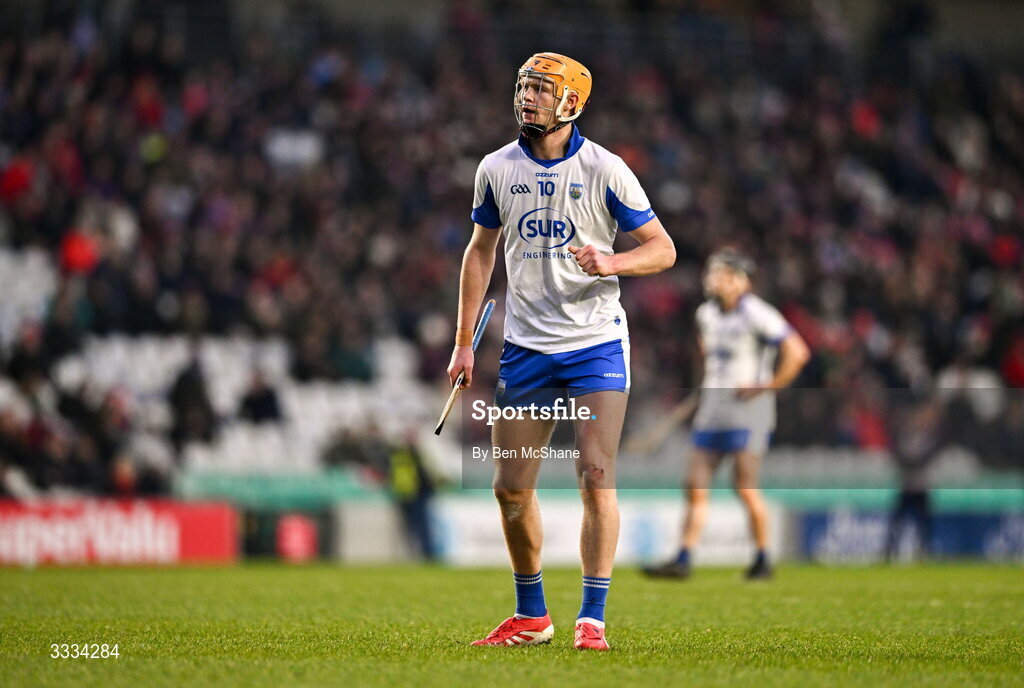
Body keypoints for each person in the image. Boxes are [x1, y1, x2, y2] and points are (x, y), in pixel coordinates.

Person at [447, 52, 676, 650]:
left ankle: (592, 620)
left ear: (572, 101)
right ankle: (532, 616)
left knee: (596, 476)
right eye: (523, 87)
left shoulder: (607, 169)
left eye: (542, 91)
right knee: (510, 489)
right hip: (526, 348)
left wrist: (613, 260)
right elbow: (479, 251)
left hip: (595, 342)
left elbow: (663, 249)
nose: (528, 98)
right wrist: (463, 341)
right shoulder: (495, 168)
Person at [643, 248, 809, 581]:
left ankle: (763, 559)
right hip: (713, 408)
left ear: (739, 280)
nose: (711, 279)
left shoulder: (757, 313)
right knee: (694, 484)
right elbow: (708, 358)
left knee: (744, 485)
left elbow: (797, 352)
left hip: (749, 411)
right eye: (711, 272)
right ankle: (684, 558)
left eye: (719, 273)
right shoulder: (706, 314)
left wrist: (767, 387)